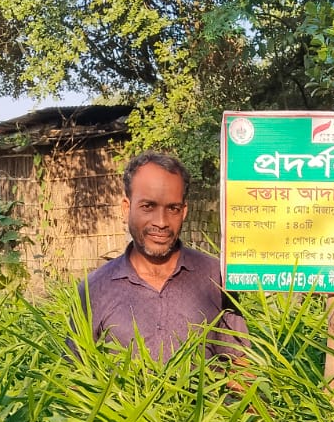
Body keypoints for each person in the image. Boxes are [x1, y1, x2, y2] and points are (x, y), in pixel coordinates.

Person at [75, 151, 246, 363]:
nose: (162, 222)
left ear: (183, 212)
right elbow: (76, 378)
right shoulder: (93, 289)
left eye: (172, 209)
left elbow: (241, 367)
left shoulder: (216, 278)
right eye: (148, 206)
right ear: (126, 208)